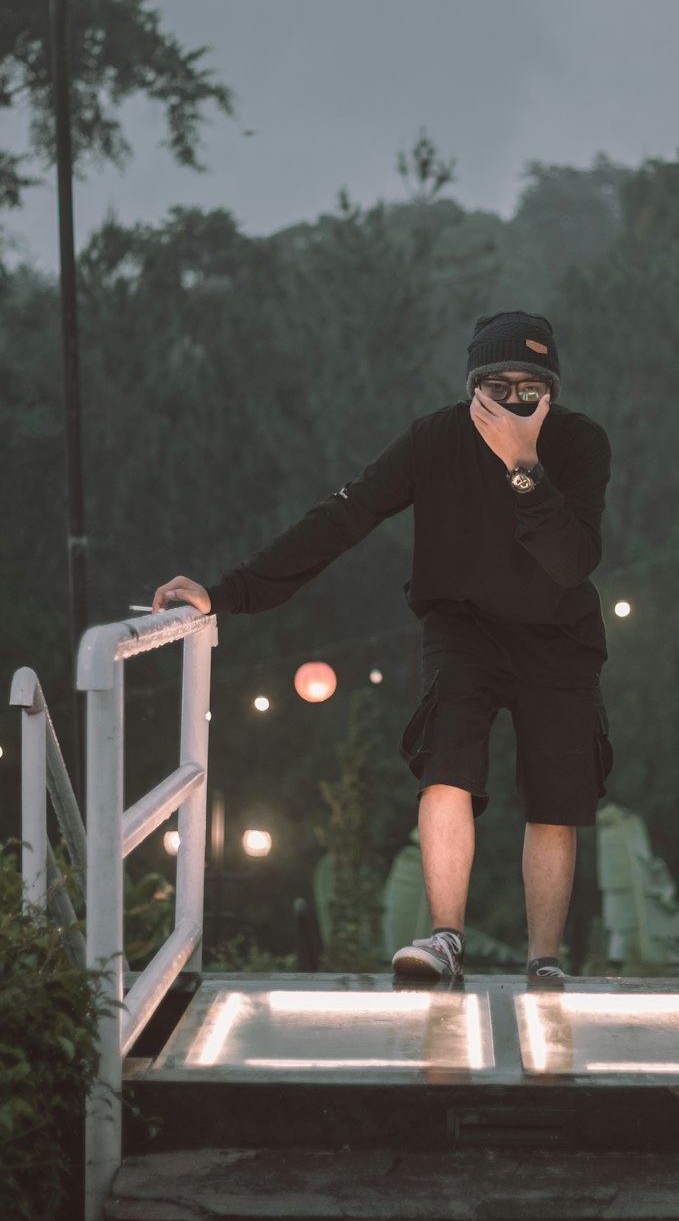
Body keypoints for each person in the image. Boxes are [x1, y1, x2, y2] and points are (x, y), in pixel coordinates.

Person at [152, 310, 612, 982]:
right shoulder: (435, 439)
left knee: (557, 795)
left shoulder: (580, 444)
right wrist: (227, 592)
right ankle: (446, 939)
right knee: (446, 763)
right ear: (470, 386)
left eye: (529, 386)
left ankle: (544, 961)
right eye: (497, 384)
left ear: (554, 391)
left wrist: (523, 465)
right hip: (465, 626)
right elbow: (343, 517)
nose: (513, 400)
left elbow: (573, 561)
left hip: (560, 634)